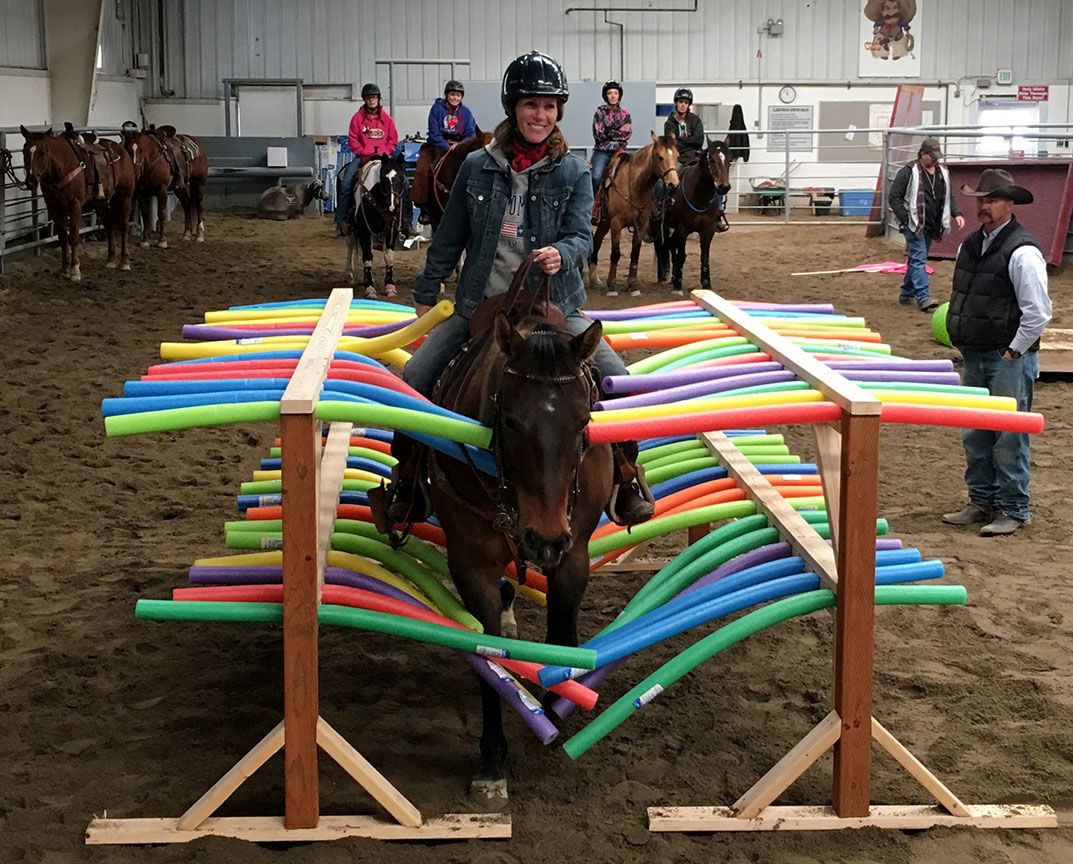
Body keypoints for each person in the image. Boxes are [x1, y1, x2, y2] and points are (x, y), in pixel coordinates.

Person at [384, 50, 654, 528]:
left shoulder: (572, 172)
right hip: (480, 306)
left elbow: (580, 235)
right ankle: (407, 482)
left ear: (559, 112)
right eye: (531, 104)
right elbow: (450, 237)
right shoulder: (476, 167)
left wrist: (563, 254)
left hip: (556, 303)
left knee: (619, 383)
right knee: (415, 382)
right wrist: (428, 289)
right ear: (513, 107)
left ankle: (627, 476)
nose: (540, 115)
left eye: (549, 107)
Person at [941, 168, 1051, 536]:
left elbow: (1038, 312)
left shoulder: (1023, 252)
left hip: (1006, 356)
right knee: (976, 431)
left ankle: (1014, 508)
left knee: (1007, 435)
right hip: (977, 351)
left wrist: (1014, 352)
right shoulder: (971, 244)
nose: (983, 206)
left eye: (990, 200)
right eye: (981, 200)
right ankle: (982, 500)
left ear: (1009, 203)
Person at [889, 137, 965, 311]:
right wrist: (905, 218)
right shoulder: (908, 171)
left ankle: (906, 294)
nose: (935, 159)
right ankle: (923, 297)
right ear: (923, 154)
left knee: (916, 258)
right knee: (918, 258)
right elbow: (894, 197)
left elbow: (948, 196)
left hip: (931, 224)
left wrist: (956, 213)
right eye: (932, 155)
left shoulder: (942, 173)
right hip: (914, 224)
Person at [335, 82, 398, 235]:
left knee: (402, 185)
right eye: (369, 98)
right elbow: (353, 140)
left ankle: (404, 221)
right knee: (346, 183)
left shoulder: (387, 119)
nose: (372, 101)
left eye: (374, 97)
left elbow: (393, 139)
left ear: (378, 99)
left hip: (383, 158)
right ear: (364, 100)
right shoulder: (357, 119)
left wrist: (385, 152)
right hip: (362, 158)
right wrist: (363, 154)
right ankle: (341, 220)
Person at [411, 80, 477, 215]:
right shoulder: (436, 109)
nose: (455, 98)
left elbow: (471, 133)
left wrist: (459, 146)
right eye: (452, 94)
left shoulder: (466, 112)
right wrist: (446, 147)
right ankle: (424, 206)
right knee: (422, 169)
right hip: (437, 145)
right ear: (447, 95)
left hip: (459, 147)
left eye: (458, 95)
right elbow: (434, 133)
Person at [590, 80, 632, 195]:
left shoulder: (625, 114)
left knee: (634, 175)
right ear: (606, 96)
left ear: (619, 95)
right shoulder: (600, 112)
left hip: (620, 151)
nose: (613, 96)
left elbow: (626, 135)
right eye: (609, 93)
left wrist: (609, 132)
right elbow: (599, 134)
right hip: (602, 151)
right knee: (596, 177)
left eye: (615, 93)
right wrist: (618, 132)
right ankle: (591, 205)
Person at [664, 87, 704, 168]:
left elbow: (699, 140)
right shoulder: (669, 123)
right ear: (676, 103)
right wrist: (690, 142)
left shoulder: (695, 120)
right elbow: (672, 144)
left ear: (688, 105)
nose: (683, 105)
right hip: (677, 159)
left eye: (686, 103)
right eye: (680, 102)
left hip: (695, 158)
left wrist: (680, 140)